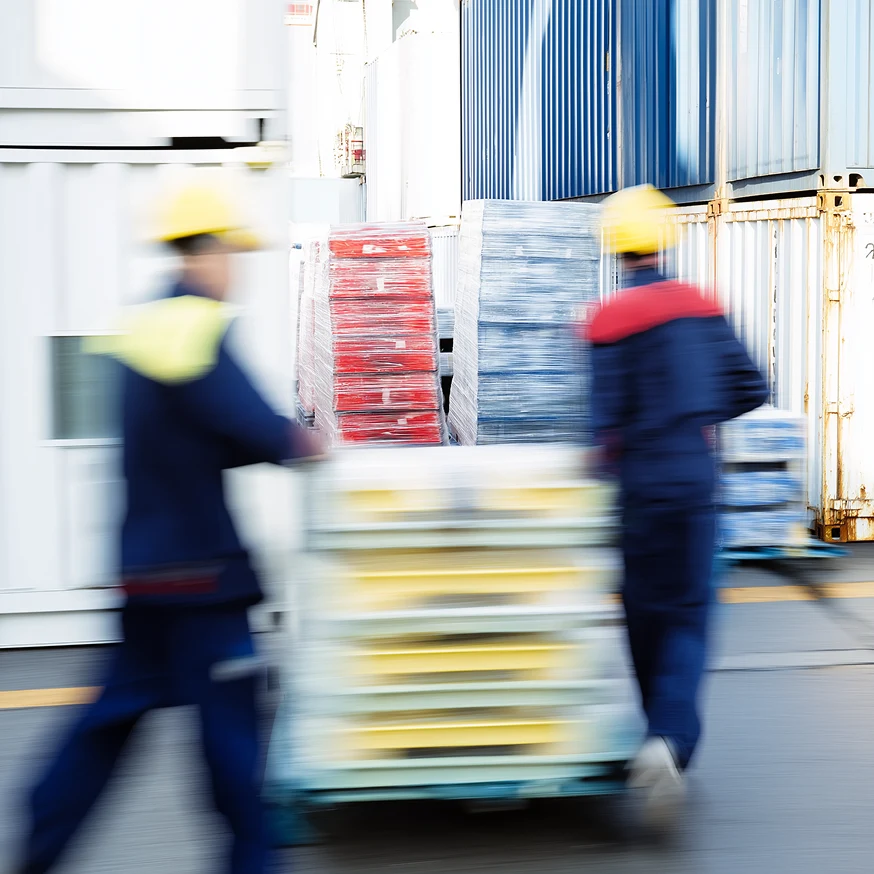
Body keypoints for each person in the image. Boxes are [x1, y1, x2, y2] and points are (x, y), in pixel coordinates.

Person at [15, 182, 323, 874]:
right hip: (202, 583)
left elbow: (198, 431)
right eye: (231, 253)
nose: (235, 267)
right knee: (233, 745)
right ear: (204, 252)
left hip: (144, 571)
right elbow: (251, 427)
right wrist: (308, 444)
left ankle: (40, 834)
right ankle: (253, 863)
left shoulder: (141, 327)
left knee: (106, 727)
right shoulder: (195, 328)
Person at [584, 184, 768, 830]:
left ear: (616, 246)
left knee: (644, 619)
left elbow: (600, 427)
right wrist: (696, 415)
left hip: (638, 493)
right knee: (689, 619)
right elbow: (752, 385)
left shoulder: (605, 320)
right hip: (692, 483)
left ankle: (654, 734)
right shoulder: (702, 308)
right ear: (667, 238)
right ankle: (668, 742)